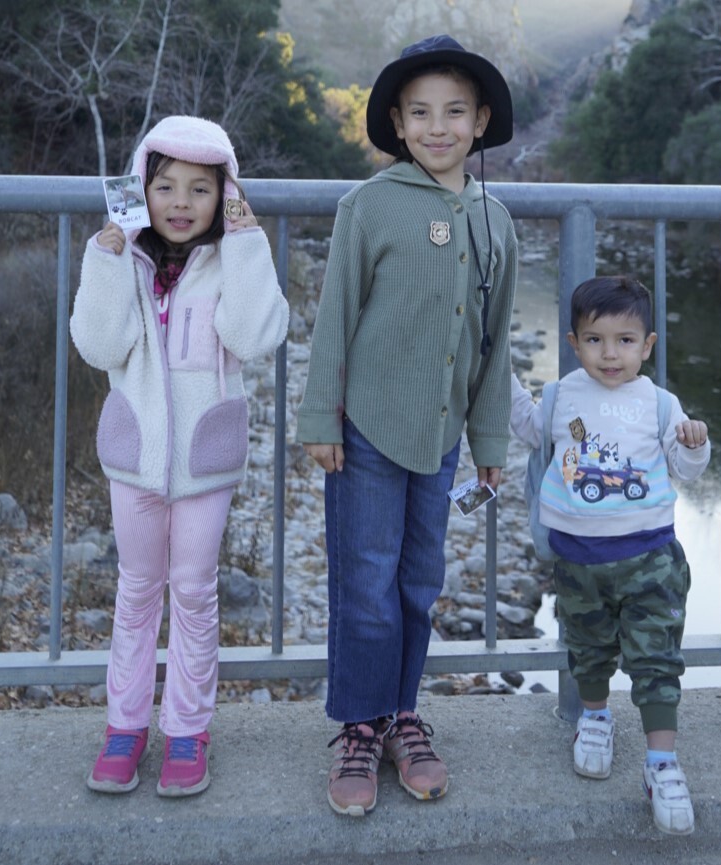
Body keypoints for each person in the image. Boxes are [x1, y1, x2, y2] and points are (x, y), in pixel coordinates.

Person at [296, 34, 518, 816]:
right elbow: (332, 320)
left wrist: (490, 441)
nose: (437, 126)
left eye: (455, 111)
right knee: (367, 587)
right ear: (396, 119)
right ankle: (358, 724)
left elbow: (493, 348)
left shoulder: (497, 222)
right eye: (420, 111)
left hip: (441, 436)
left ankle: (403, 715)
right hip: (365, 430)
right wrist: (321, 413)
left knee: (419, 585)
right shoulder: (368, 206)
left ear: (482, 121)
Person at [70, 115, 289, 798]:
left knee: (192, 590)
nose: (181, 202)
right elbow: (100, 346)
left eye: (201, 188)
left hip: (205, 457)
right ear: (142, 187)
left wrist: (249, 243)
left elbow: (257, 336)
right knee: (137, 590)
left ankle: (188, 728)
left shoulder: (232, 258)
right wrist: (108, 258)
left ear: (226, 195)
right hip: (134, 453)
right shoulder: (120, 256)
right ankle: (124, 725)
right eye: (165, 186)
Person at [509, 275, 710, 835]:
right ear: (574, 344)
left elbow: (686, 471)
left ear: (647, 345)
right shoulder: (562, 396)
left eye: (625, 340)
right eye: (595, 340)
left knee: (656, 659)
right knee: (588, 647)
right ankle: (594, 719)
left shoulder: (658, 403)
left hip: (651, 558)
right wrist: (496, 375)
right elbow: (527, 427)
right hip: (579, 560)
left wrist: (694, 444)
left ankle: (662, 763)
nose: (610, 353)